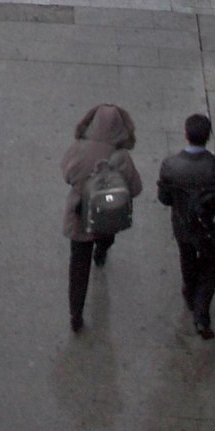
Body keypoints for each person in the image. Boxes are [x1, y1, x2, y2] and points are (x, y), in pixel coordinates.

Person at [157, 112, 215, 340]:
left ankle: (189, 291)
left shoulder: (170, 166)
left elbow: (165, 198)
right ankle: (201, 316)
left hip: (184, 227)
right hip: (210, 230)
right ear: (208, 136)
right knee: (209, 269)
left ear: (186, 134)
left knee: (187, 257)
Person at [61, 102, 142, 333]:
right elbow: (135, 188)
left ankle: (76, 314)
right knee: (105, 236)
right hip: (107, 216)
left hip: (79, 216)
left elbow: (67, 174)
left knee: (78, 266)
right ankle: (102, 252)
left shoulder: (79, 148)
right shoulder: (122, 156)